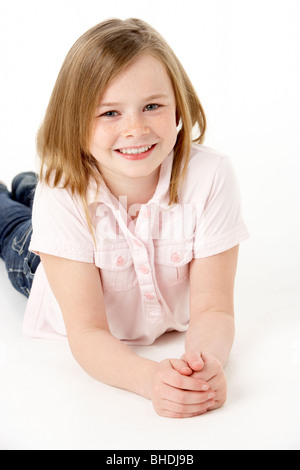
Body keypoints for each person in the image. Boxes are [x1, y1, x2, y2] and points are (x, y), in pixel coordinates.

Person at [0, 18, 249, 418]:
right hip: (49, 269)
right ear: (75, 122)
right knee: (14, 226)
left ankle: (27, 183)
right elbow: (87, 332)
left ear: (178, 105)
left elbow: (215, 310)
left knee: (40, 193)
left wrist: (205, 367)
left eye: (152, 106)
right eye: (110, 113)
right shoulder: (63, 192)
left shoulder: (212, 176)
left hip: (78, 211)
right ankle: (21, 189)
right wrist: (150, 380)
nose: (135, 128)